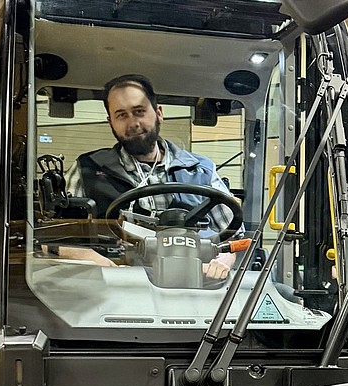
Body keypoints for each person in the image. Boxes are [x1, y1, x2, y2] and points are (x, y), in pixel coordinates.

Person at [65, 73, 238, 279]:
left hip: (196, 284)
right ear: (110, 121)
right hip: (115, 286)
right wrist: (89, 257)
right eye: (121, 115)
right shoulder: (87, 170)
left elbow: (234, 238)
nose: (133, 123)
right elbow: (55, 238)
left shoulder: (201, 170)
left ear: (158, 113)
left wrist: (220, 263)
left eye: (139, 111)